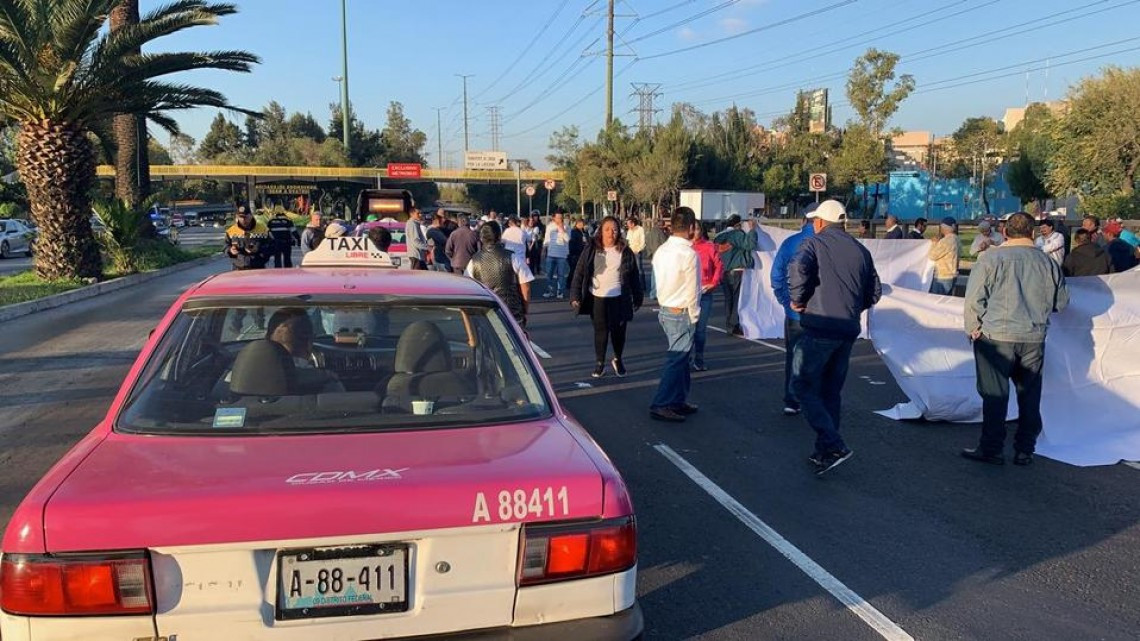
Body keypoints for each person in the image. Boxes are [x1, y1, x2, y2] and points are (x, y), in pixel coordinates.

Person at [962, 212, 1069, 466]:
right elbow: (1062, 303)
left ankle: (991, 448)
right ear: (1032, 233)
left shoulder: (992, 258)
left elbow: (974, 297)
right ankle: (1025, 449)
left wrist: (973, 327)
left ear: (1005, 232)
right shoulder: (1047, 263)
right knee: (1030, 395)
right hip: (1033, 336)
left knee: (995, 394)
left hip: (996, 335)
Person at [788, 200, 881, 477]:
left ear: (819, 222)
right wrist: (853, 309)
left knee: (803, 385)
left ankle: (833, 443)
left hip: (820, 325)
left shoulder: (814, 244)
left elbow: (798, 268)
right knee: (831, 391)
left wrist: (798, 300)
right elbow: (874, 291)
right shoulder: (861, 250)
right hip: (847, 328)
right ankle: (824, 451)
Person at [570, 216, 643, 378]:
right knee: (601, 331)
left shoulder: (625, 251)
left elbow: (634, 276)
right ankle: (600, 363)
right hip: (598, 296)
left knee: (619, 332)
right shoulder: (591, 249)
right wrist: (575, 296)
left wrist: (638, 297)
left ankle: (618, 359)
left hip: (619, 296)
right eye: (607, 229)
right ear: (601, 231)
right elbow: (579, 273)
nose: (611, 233)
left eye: (615, 229)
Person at [648, 207, 701, 423]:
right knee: (677, 359)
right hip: (682, 311)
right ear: (690, 228)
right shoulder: (689, 254)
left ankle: (677, 400)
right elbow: (693, 289)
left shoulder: (662, 251)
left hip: (666, 308)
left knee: (680, 359)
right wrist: (695, 315)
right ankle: (661, 403)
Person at [771, 206, 816, 416]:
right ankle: (816, 397)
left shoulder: (790, 243)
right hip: (825, 313)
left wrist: (785, 299)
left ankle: (793, 398)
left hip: (795, 312)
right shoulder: (830, 244)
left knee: (794, 355)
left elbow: (776, 275)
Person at [467, 222, 535, 328]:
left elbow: (468, 290)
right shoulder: (513, 257)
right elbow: (526, 288)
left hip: (486, 314)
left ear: (481, 239)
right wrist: (525, 309)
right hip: (512, 313)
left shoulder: (473, 262)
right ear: (499, 237)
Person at [713, 214, 757, 336]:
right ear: (738, 224)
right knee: (738, 299)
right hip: (737, 270)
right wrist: (753, 230)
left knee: (729, 299)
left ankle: (729, 325)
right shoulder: (737, 235)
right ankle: (735, 325)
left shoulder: (719, 236)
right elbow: (750, 244)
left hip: (724, 271)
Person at [691, 223, 723, 372]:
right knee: (687, 329)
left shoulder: (709, 246)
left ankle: (699, 358)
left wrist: (714, 282)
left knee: (700, 329)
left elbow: (719, 265)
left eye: (697, 228)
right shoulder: (684, 247)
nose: (695, 231)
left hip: (705, 293)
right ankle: (684, 358)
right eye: (692, 228)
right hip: (687, 293)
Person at [224, 206, 272, 271]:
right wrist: (230, 251)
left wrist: (259, 250)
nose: (243, 220)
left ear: (251, 215)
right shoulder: (231, 231)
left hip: (258, 268)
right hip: (238, 269)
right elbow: (226, 247)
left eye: (246, 217)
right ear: (237, 217)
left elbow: (272, 246)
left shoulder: (263, 229)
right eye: (241, 217)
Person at [542, 211, 571, 299]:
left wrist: (562, 230)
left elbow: (567, 239)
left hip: (562, 254)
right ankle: (549, 290)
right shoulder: (549, 226)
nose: (559, 219)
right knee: (549, 274)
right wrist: (543, 250)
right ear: (553, 218)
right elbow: (546, 239)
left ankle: (560, 292)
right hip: (551, 253)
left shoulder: (567, 227)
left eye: (561, 218)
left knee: (561, 274)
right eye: (558, 217)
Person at [928, 217, 960, 295]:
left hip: (943, 276)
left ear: (944, 228)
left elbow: (932, 255)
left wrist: (934, 243)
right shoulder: (957, 239)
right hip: (952, 274)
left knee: (937, 301)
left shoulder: (946, 241)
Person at [643, 217, 668, 299]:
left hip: (654, 255)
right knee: (661, 275)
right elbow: (665, 243)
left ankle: (653, 293)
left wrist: (650, 253)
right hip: (661, 256)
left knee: (653, 275)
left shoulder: (649, 233)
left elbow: (646, 243)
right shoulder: (660, 233)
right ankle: (656, 292)